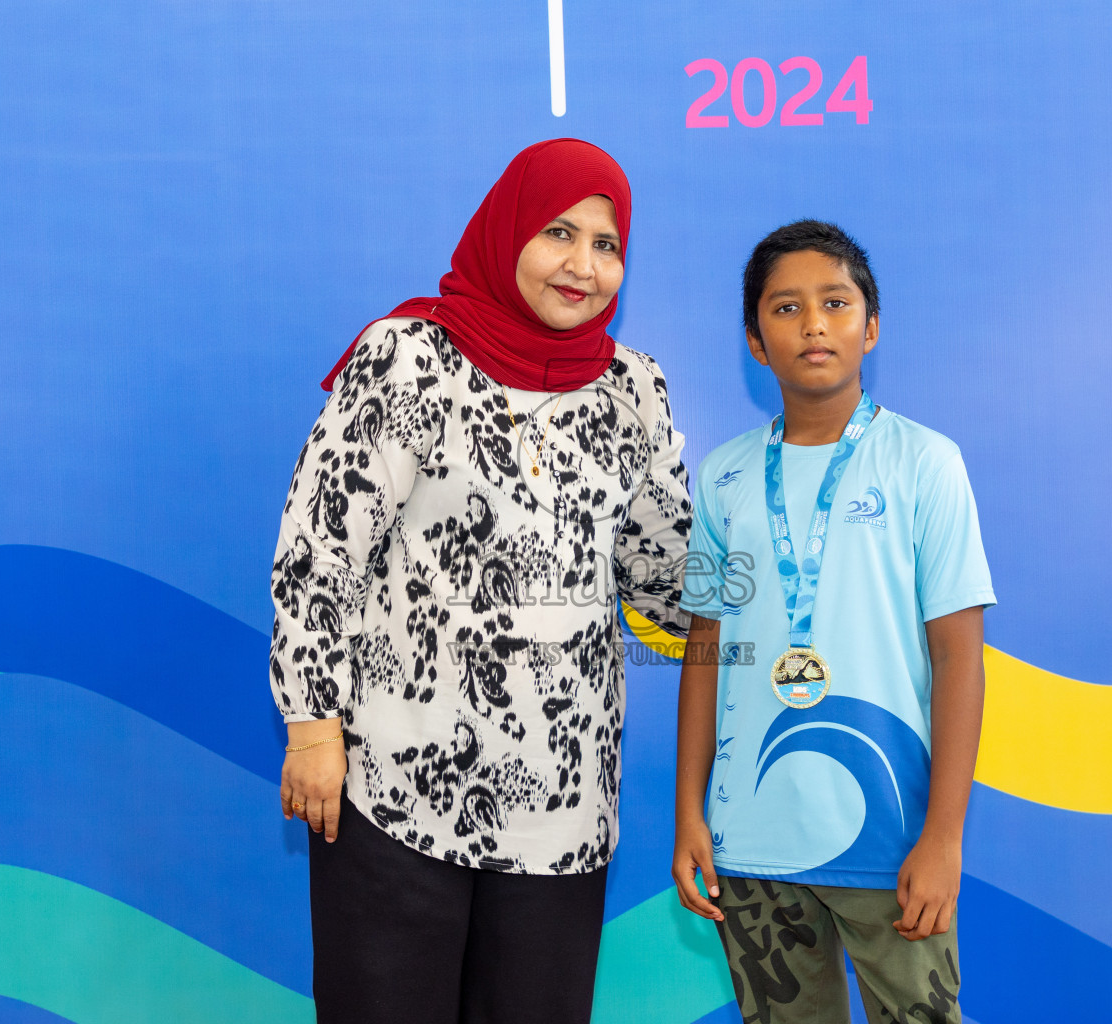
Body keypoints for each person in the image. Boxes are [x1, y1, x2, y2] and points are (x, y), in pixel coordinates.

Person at [269, 139, 693, 1024]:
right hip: (394, 791)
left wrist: (798, 569)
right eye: (559, 233)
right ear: (508, 234)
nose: (584, 266)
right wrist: (313, 727)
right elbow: (320, 551)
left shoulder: (633, 391)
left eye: (608, 244)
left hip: (563, 809)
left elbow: (668, 582)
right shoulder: (409, 358)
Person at [672, 220, 995, 1024]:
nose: (813, 323)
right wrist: (689, 813)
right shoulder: (725, 478)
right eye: (786, 308)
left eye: (836, 302)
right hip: (751, 845)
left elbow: (959, 658)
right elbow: (706, 649)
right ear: (755, 341)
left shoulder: (925, 463)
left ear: (871, 327)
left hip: (892, 844)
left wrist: (944, 838)